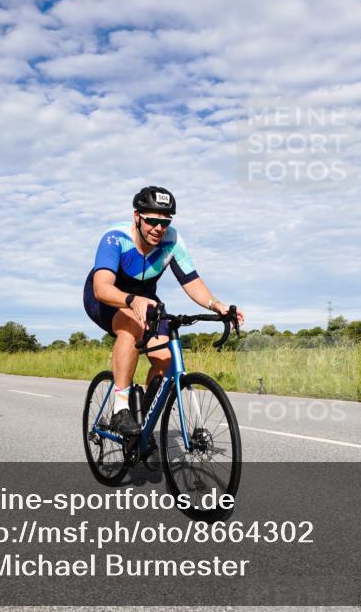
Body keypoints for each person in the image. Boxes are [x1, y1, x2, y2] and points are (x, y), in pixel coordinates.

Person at [83, 186, 244, 436]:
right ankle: (120, 409)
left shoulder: (172, 241)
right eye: (152, 221)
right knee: (132, 327)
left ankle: (142, 423)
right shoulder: (115, 238)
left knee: (166, 357)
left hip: (145, 300)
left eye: (165, 222)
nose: (159, 228)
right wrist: (130, 299)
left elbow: (191, 281)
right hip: (108, 297)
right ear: (137, 216)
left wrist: (216, 304)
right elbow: (101, 287)